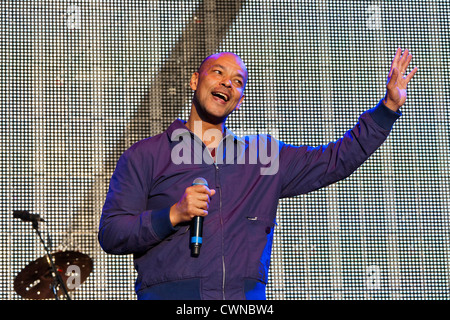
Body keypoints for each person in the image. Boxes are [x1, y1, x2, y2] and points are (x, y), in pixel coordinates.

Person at [98, 49, 418, 300]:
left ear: (239, 100)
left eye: (238, 81)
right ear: (195, 81)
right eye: (219, 73)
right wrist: (172, 214)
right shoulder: (146, 155)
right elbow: (112, 233)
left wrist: (388, 107)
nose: (228, 83)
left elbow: (337, 159)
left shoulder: (264, 156)